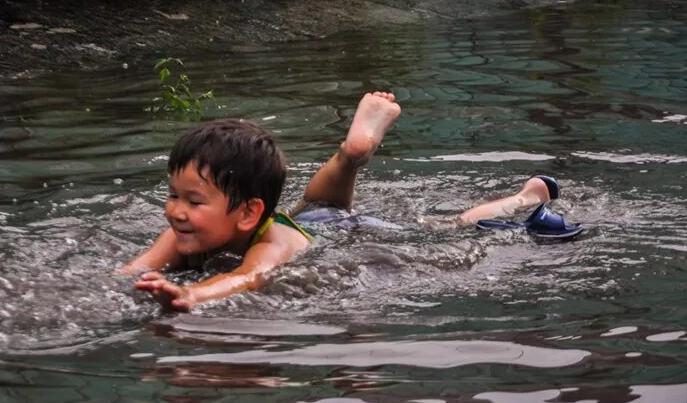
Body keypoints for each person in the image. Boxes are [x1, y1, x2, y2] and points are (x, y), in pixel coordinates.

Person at [121, 91, 559, 311]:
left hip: (348, 232)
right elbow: (130, 272)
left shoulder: (268, 244)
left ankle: (523, 197)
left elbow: (248, 279)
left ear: (249, 211)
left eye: (193, 201)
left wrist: (191, 295)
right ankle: (350, 156)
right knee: (315, 205)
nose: (175, 210)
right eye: (172, 195)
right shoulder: (184, 229)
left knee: (447, 228)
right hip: (308, 219)